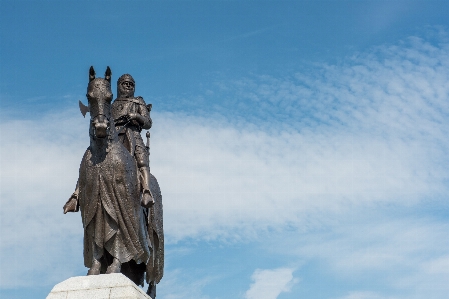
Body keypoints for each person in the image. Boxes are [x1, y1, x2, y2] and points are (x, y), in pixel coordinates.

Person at [112, 74, 154, 207]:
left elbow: (148, 122)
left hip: (132, 133)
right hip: (113, 135)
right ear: (119, 85)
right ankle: (78, 193)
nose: (128, 86)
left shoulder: (138, 101)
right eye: (125, 83)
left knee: (142, 161)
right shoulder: (111, 105)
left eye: (131, 84)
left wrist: (136, 116)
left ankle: (146, 191)